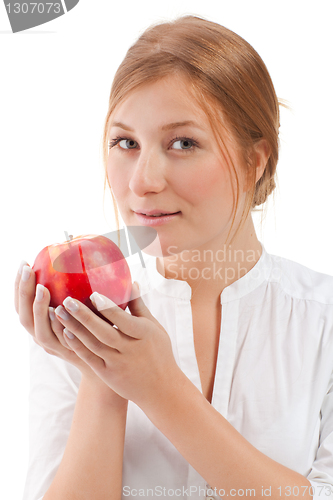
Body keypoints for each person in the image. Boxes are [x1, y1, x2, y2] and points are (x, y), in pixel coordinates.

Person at [15, 14, 333, 500]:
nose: (142, 181)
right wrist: (102, 377)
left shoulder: (323, 322)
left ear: (255, 160)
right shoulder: (75, 320)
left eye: (182, 143)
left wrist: (160, 389)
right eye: (126, 142)